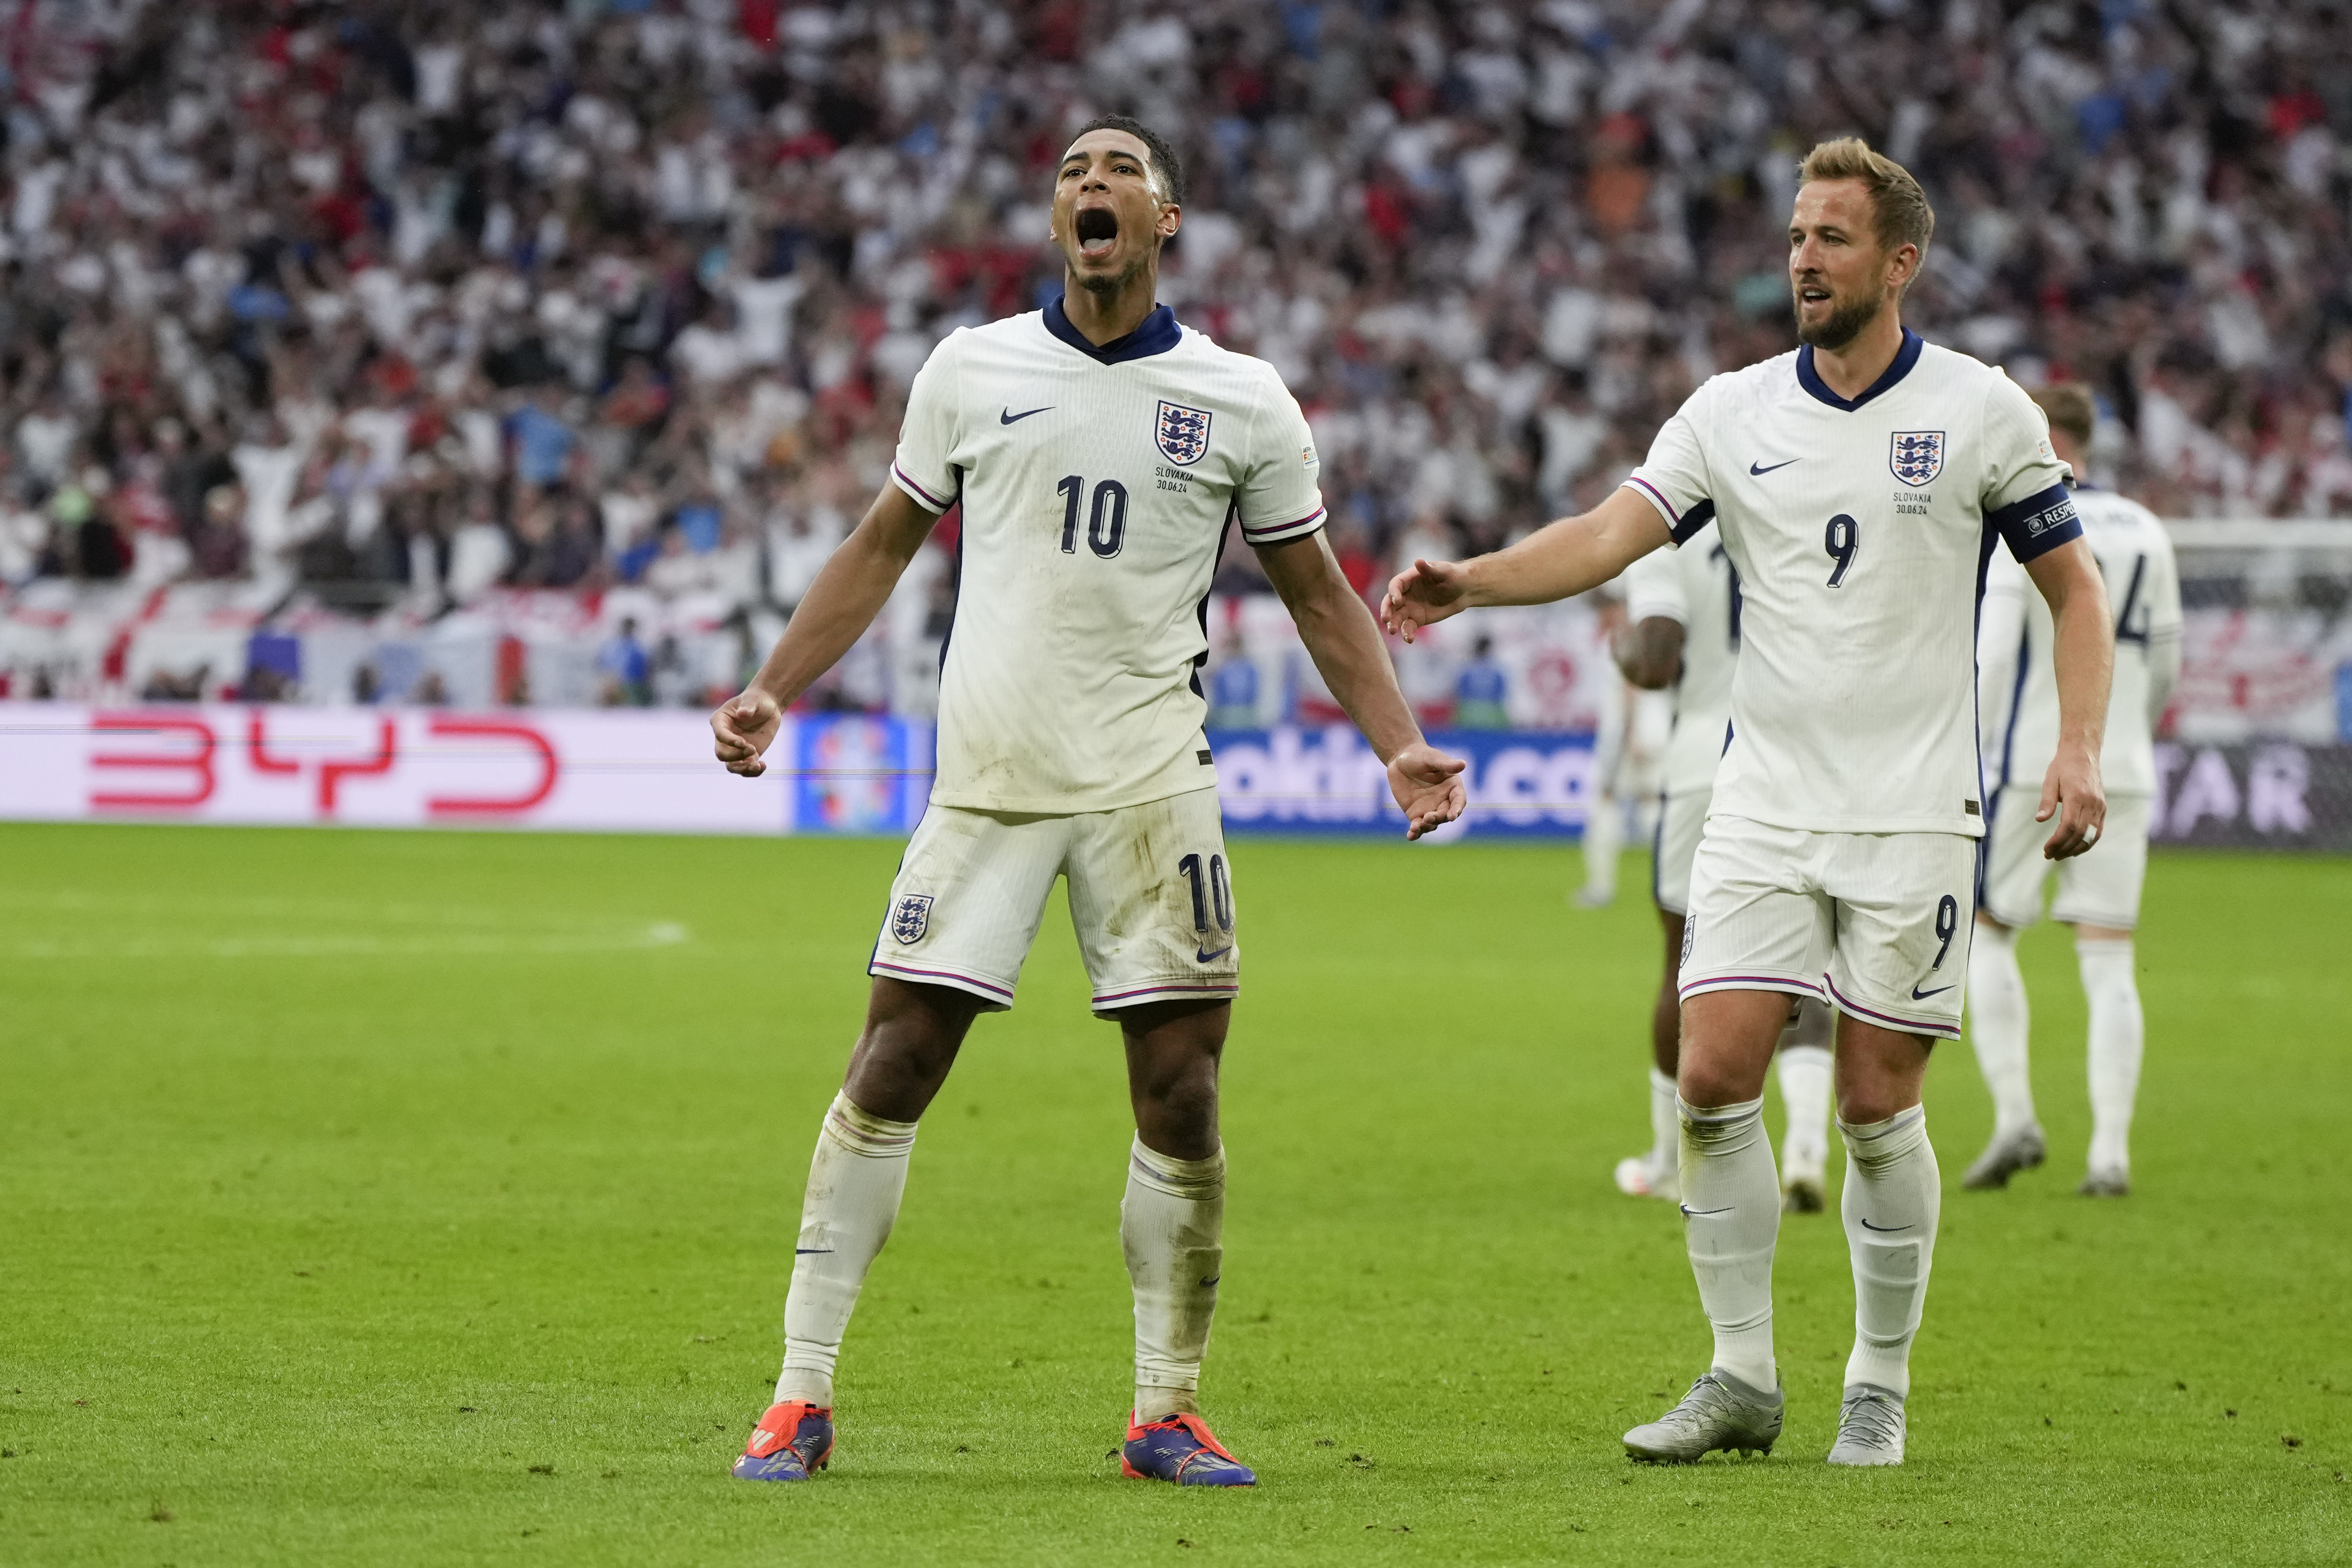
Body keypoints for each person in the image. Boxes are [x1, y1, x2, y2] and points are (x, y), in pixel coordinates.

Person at [711, 116, 1467, 1489]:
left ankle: (1164, 1410)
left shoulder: (1244, 398)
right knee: (892, 1067)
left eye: (1120, 171)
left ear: (1164, 219)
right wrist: (775, 685)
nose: (1092, 186)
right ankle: (797, 1394)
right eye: (1071, 172)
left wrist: (1396, 746)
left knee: (1181, 1093)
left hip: (1148, 787)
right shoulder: (971, 368)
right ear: (1055, 222)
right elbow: (883, 545)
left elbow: (1316, 593)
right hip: (989, 785)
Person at [1381, 138, 2113, 1467]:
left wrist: (2077, 751)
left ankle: (1876, 1384)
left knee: (1874, 1106)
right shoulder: (1727, 413)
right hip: (1761, 803)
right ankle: (1741, 1375)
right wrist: (1471, 581)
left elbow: (2075, 590)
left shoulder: (1982, 409)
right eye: (1794, 236)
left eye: (1832, 238)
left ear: (1899, 262)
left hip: (1910, 814)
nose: (1802, 261)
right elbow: (1608, 534)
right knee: (1714, 1079)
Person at [1964, 382, 2181, 1198]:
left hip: (2029, 765)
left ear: (2042, 435)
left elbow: (1991, 658)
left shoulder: (2026, 520)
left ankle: (2016, 1115)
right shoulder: (2146, 530)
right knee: (2108, 956)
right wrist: (2122, 739)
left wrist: (1974, 755)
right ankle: (2110, 1156)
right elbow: (2163, 665)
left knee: (1988, 935)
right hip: (2120, 765)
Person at [1610, 524, 1836, 1213]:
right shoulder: (1795, 507)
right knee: (1807, 960)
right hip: (1800, 765)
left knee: (1680, 963)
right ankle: (1804, 1144)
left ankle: (1670, 1160)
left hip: (1704, 761)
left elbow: (1653, 660)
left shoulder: (1660, 534)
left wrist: (1618, 646)